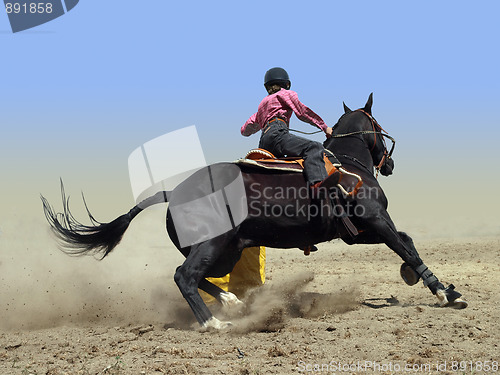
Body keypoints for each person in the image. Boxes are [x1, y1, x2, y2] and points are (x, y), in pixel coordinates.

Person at [241, 67, 339, 193]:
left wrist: (263, 120)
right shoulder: (285, 94)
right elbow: (303, 112)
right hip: (278, 134)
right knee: (314, 147)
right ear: (286, 84)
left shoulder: (262, 105)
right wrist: (325, 128)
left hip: (264, 142)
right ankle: (317, 184)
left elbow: (245, 130)